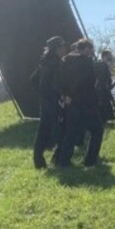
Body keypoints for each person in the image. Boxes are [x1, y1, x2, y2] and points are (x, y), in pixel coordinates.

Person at [55, 39, 104, 168]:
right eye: (91, 49)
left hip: (71, 102)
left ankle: (63, 162)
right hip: (87, 102)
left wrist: (66, 95)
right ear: (86, 48)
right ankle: (90, 161)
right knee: (97, 130)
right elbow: (89, 82)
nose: (92, 52)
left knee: (71, 132)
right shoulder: (86, 62)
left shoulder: (65, 60)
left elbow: (58, 81)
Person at [32, 35, 68, 169]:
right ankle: (57, 159)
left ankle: (39, 161)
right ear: (57, 49)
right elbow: (53, 84)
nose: (65, 49)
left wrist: (43, 96)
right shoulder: (55, 63)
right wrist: (60, 96)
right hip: (53, 102)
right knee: (63, 130)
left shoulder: (44, 62)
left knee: (44, 131)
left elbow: (33, 80)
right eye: (63, 46)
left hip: (46, 102)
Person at [95, 49, 115, 122]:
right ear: (104, 56)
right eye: (108, 55)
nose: (110, 57)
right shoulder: (101, 65)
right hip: (102, 90)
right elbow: (102, 78)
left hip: (103, 89)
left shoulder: (104, 65)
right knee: (102, 105)